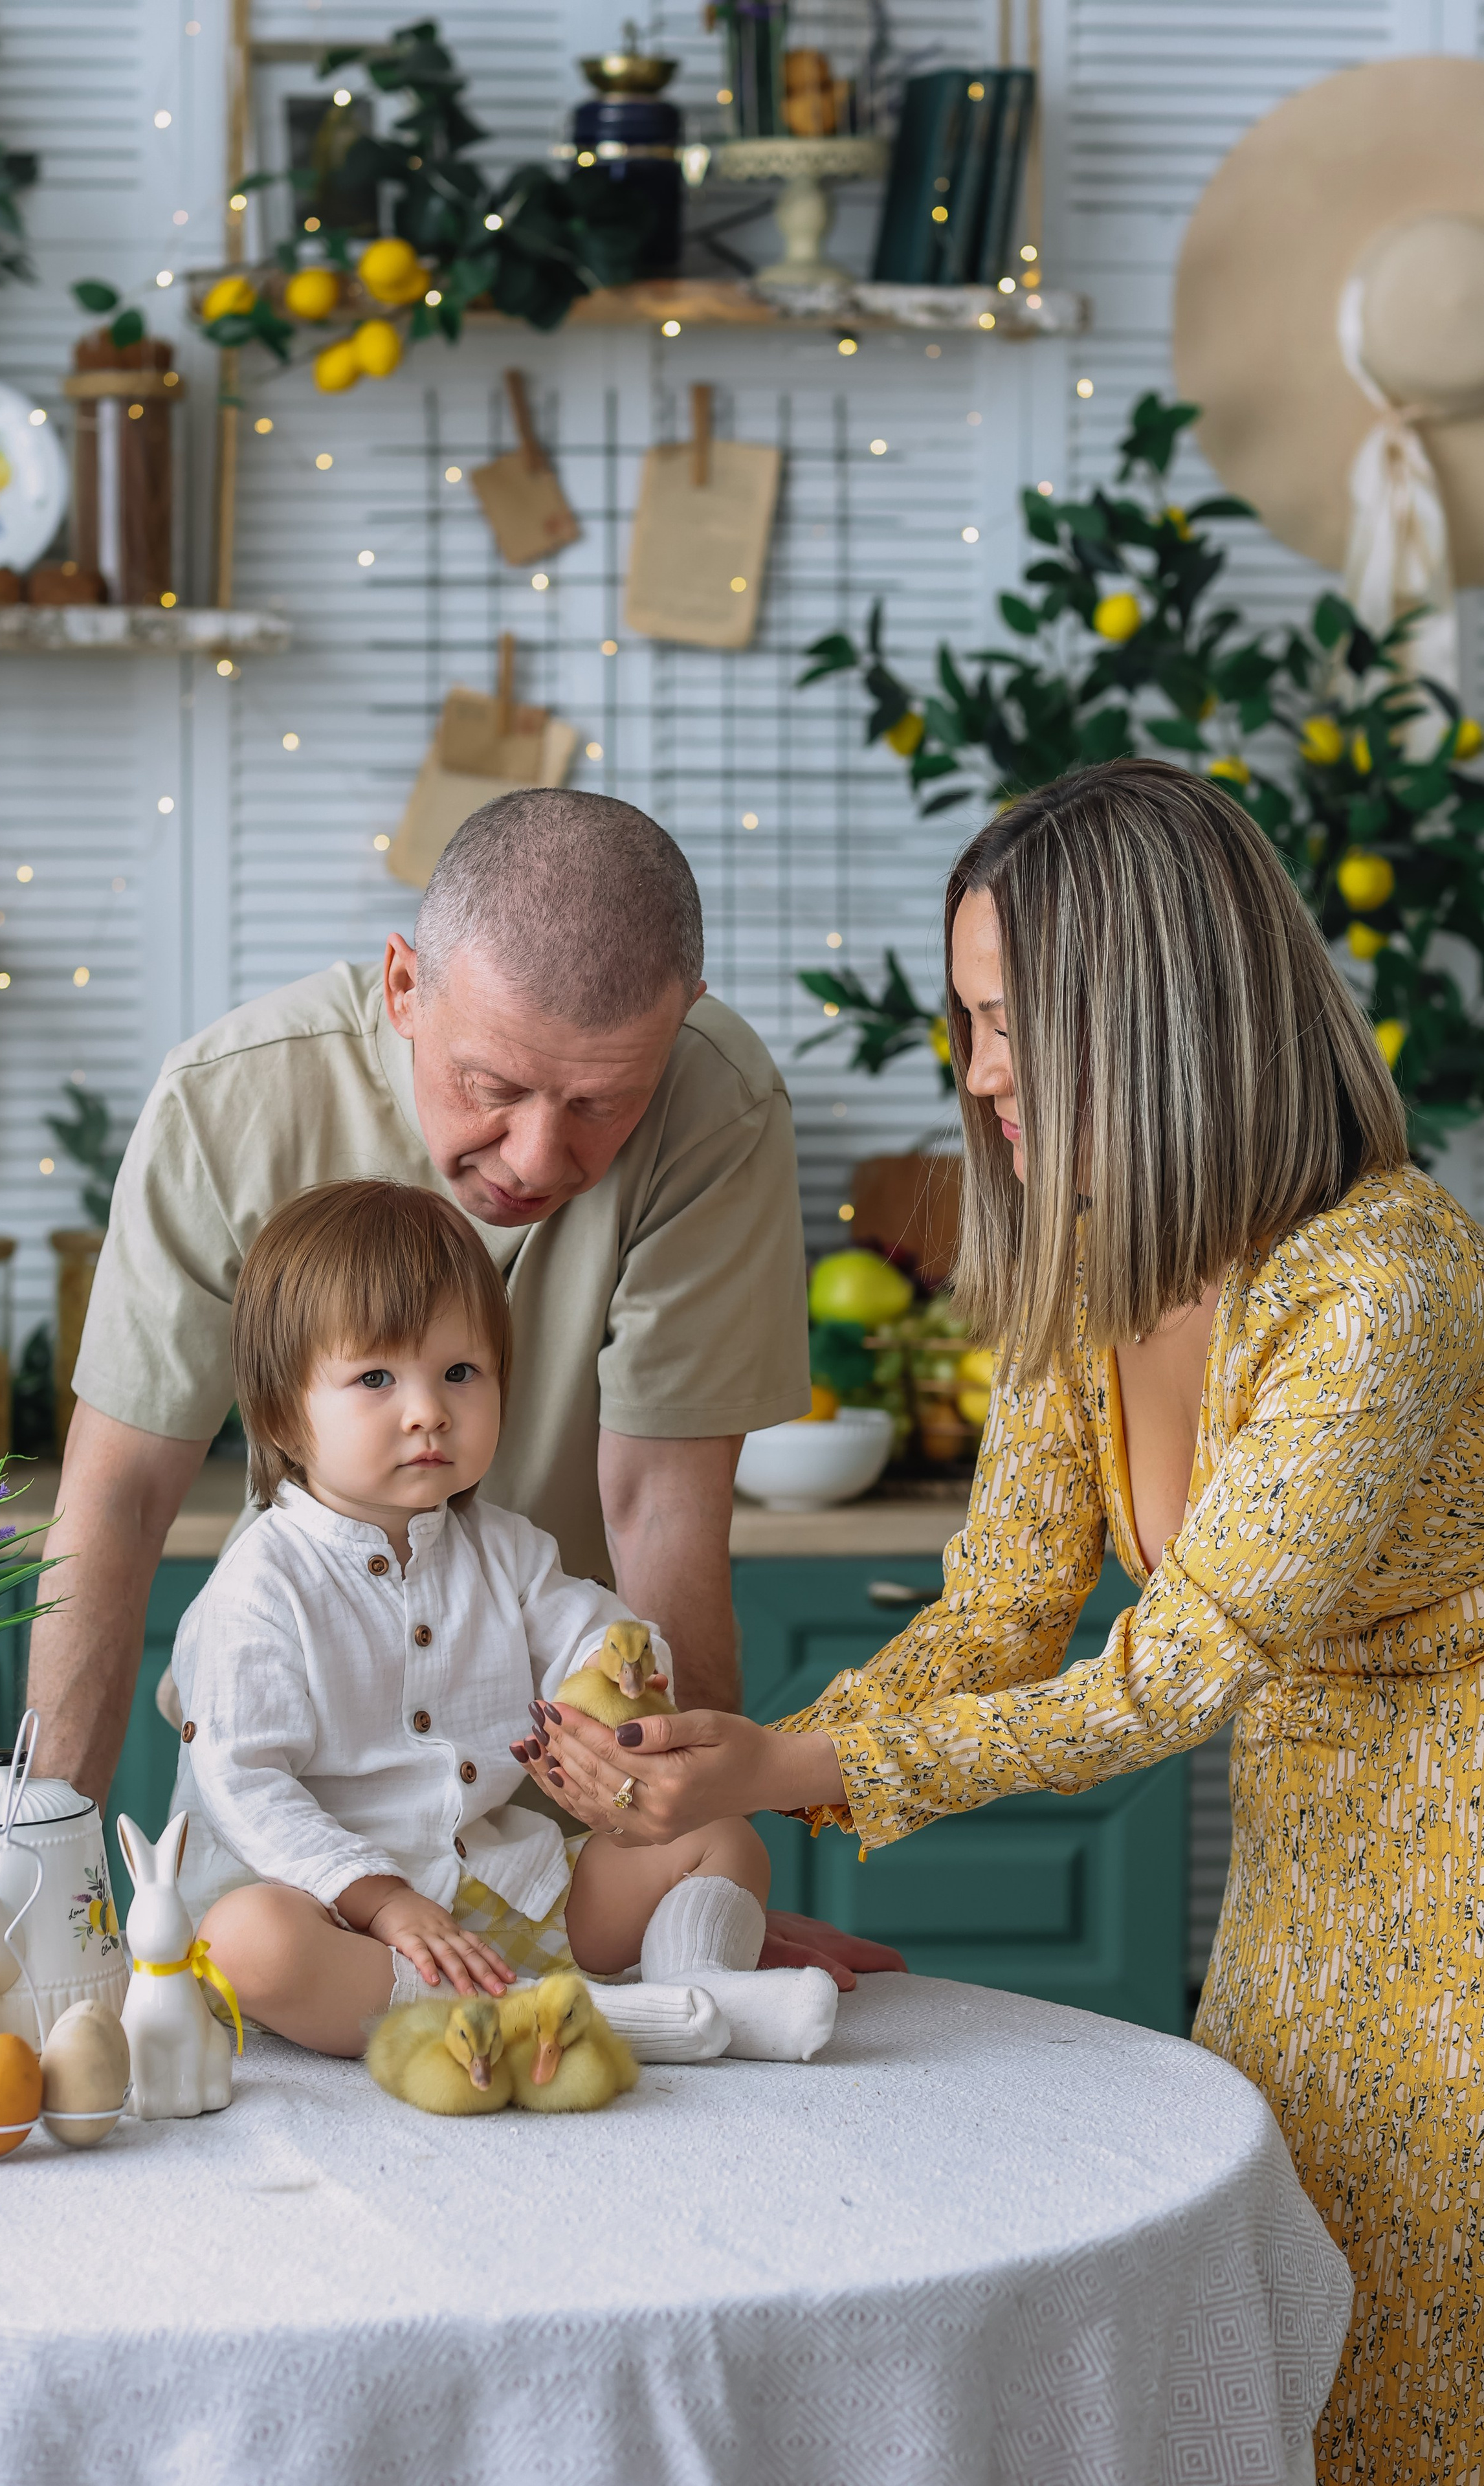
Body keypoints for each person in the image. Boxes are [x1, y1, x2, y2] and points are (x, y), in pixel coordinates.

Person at [522, 757, 1484, 2486]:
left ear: (1155, 1004)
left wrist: (794, 1757)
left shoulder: (1384, 1277)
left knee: (1424, 2371)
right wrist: (744, 1771)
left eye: (1007, 1020)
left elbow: (1176, 1663)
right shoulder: (1097, 1259)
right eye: (968, 1022)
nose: (977, 1075)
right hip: (1305, 1890)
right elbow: (1001, 1611)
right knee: (1285, 2344)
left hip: (1461, 1891)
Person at [30, 787, 900, 1988]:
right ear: (404, 985)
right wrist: (39, 1893)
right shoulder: (227, 1102)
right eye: (493, 1084)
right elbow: (116, 1504)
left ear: (681, 1023)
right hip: (318, 1858)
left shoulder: (717, 1102)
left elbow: (662, 1509)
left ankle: (682, 2000)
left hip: (544, 1821)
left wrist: (687, 1840)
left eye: (601, 1101)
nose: (540, 1159)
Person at [181, 1178, 837, 2066]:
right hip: (336, 1918)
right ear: (283, 1411)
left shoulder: (506, 1550)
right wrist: (381, 1899)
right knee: (242, 1940)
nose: (429, 1409)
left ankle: (701, 1985)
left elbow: (597, 1634)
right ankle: (564, 2016)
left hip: (507, 1895)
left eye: (460, 1371)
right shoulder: (261, 1584)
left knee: (719, 1835)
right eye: (375, 1377)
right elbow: (244, 1781)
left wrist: (624, 1674)